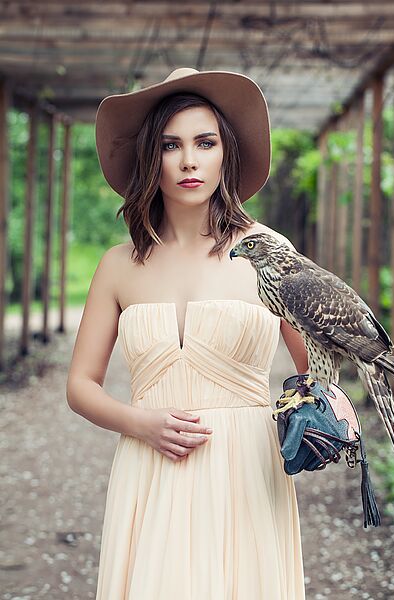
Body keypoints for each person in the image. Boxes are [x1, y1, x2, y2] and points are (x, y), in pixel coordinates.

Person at [66, 67, 309, 599]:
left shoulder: (269, 250)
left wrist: (312, 414)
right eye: (171, 145)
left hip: (247, 471)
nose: (189, 161)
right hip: (150, 465)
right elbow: (80, 384)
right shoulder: (118, 264)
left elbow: (315, 366)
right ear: (152, 157)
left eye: (206, 142)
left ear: (227, 153)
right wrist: (139, 423)